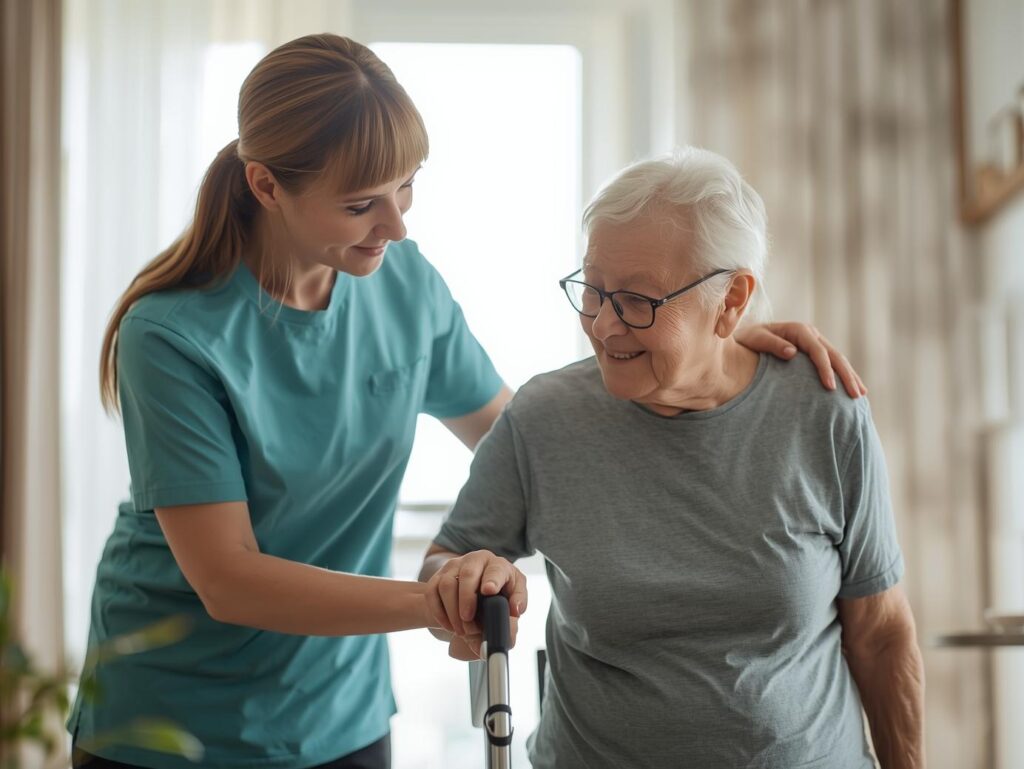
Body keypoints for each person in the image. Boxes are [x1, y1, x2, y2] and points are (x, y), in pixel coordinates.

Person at [69, 34, 865, 769]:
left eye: (406, 189)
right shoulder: (171, 336)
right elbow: (229, 578)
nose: (397, 225)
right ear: (266, 185)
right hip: (170, 716)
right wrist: (436, 598)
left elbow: (536, 435)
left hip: (338, 710)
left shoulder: (404, 289)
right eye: (361, 205)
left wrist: (717, 344)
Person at [423, 148, 924, 769]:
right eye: (592, 290)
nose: (603, 325)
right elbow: (444, 562)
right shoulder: (545, 418)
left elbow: (880, 634)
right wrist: (461, 583)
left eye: (637, 301)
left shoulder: (824, 412)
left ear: (732, 301)